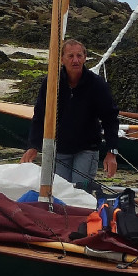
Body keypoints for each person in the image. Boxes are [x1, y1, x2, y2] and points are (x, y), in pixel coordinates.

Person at [21, 38, 119, 190]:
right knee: (59, 192)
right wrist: (33, 146)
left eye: (79, 56)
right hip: (59, 148)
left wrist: (111, 151)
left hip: (87, 148)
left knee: (78, 192)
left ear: (85, 58)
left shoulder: (97, 84)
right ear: (61, 59)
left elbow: (110, 118)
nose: (75, 60)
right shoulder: (52, 82)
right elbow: (40, 115)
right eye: (70, 56)